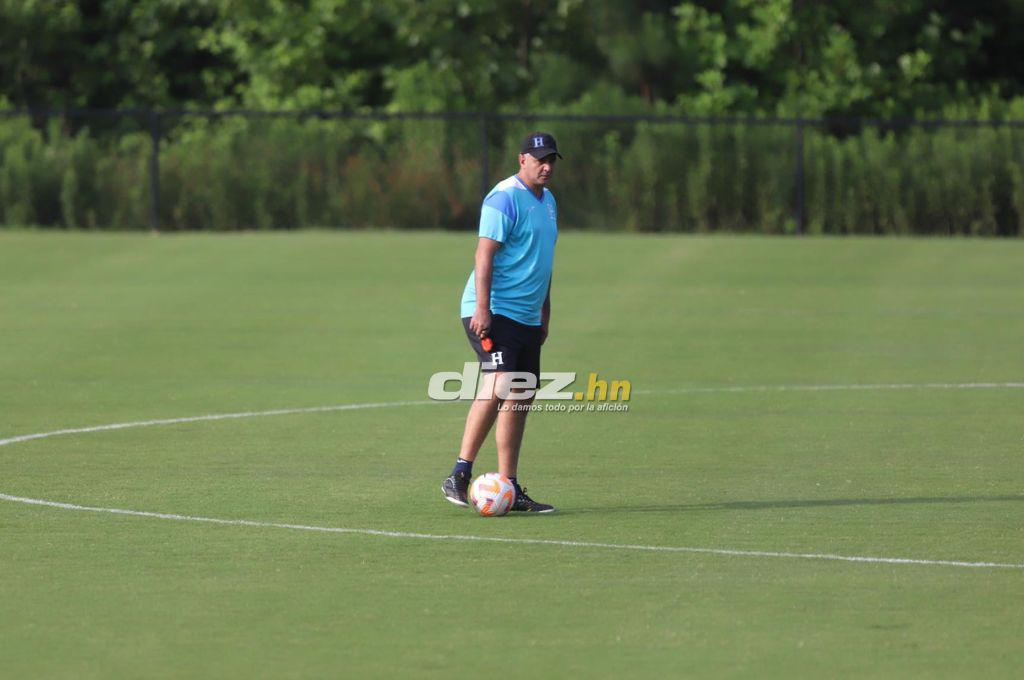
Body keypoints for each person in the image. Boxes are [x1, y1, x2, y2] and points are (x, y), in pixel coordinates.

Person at [441, 132, 562, 513]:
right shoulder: (503, 197)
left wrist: (544, 310)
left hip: (527, 314)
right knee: (501, 383)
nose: (546, 166)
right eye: (539, 158)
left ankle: (509, 485)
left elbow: (543, 260)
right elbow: (484, 255)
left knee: (521, 394)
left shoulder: (549, 202)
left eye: (552, 160)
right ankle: (459, 474)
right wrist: (481, 309)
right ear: (521, 158)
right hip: (494, 309)